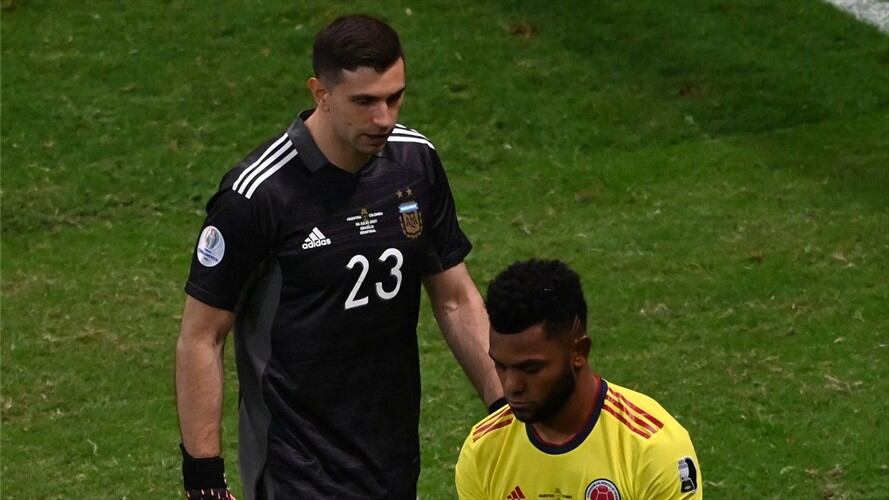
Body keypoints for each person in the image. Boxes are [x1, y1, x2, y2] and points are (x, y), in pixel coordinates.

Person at [175, 14, 502, 500]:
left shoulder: (415, 163)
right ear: (320, 93)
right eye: (365, 102)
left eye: (395, 97)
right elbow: (201, 336)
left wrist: (506, 408)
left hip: (390, 454)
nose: (384, 118)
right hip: (294, 462)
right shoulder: (258, 195)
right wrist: (203, 476)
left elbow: (455, 298)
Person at [456, 259, 702, 500]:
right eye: (501, 365)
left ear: (579, 353)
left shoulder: (651, 447)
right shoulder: (483, 450)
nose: (510, 386)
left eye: (530, 368)